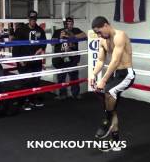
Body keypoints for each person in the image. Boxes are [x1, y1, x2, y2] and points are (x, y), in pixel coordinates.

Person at [90, 16, 135, 152]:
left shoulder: (119, 36)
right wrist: (93, 74)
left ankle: (106, 120)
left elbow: (115, 61)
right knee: (110, 105)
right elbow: (100, 61)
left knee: (109, 93)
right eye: (96, 33)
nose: (99, 35)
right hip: (115, 76)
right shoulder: (103, 41)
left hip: (125, 74)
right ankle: (115, 141)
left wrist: (103, 80)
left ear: (106, 25)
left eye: (99, 31)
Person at [13, 10, 47, 110]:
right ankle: (25, 101)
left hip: (36, 61)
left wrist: (41, 49)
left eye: (35, 19)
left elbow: (44, 43)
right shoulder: (21, 30)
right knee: (26, 81)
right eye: (31, 19)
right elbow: (15, 47)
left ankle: (33, 99)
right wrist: (19, 60)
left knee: (36, 80)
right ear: (28, 19)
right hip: (24, 61)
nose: (33, 21)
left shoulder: (40, 30)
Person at [52, 17, 87, 100]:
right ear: (65, 24)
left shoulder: (75, 30)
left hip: (72, 58)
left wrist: (72, 36)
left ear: (73, 24)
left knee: (74, 77)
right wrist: (59, 38)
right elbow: (52, 43)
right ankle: (62, 94)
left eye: (71, 24)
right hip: (61, 59)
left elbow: (84, 35)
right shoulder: (58, 31)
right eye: (68, 24)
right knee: (61, 77)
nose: (69, 25)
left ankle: (75, 94)